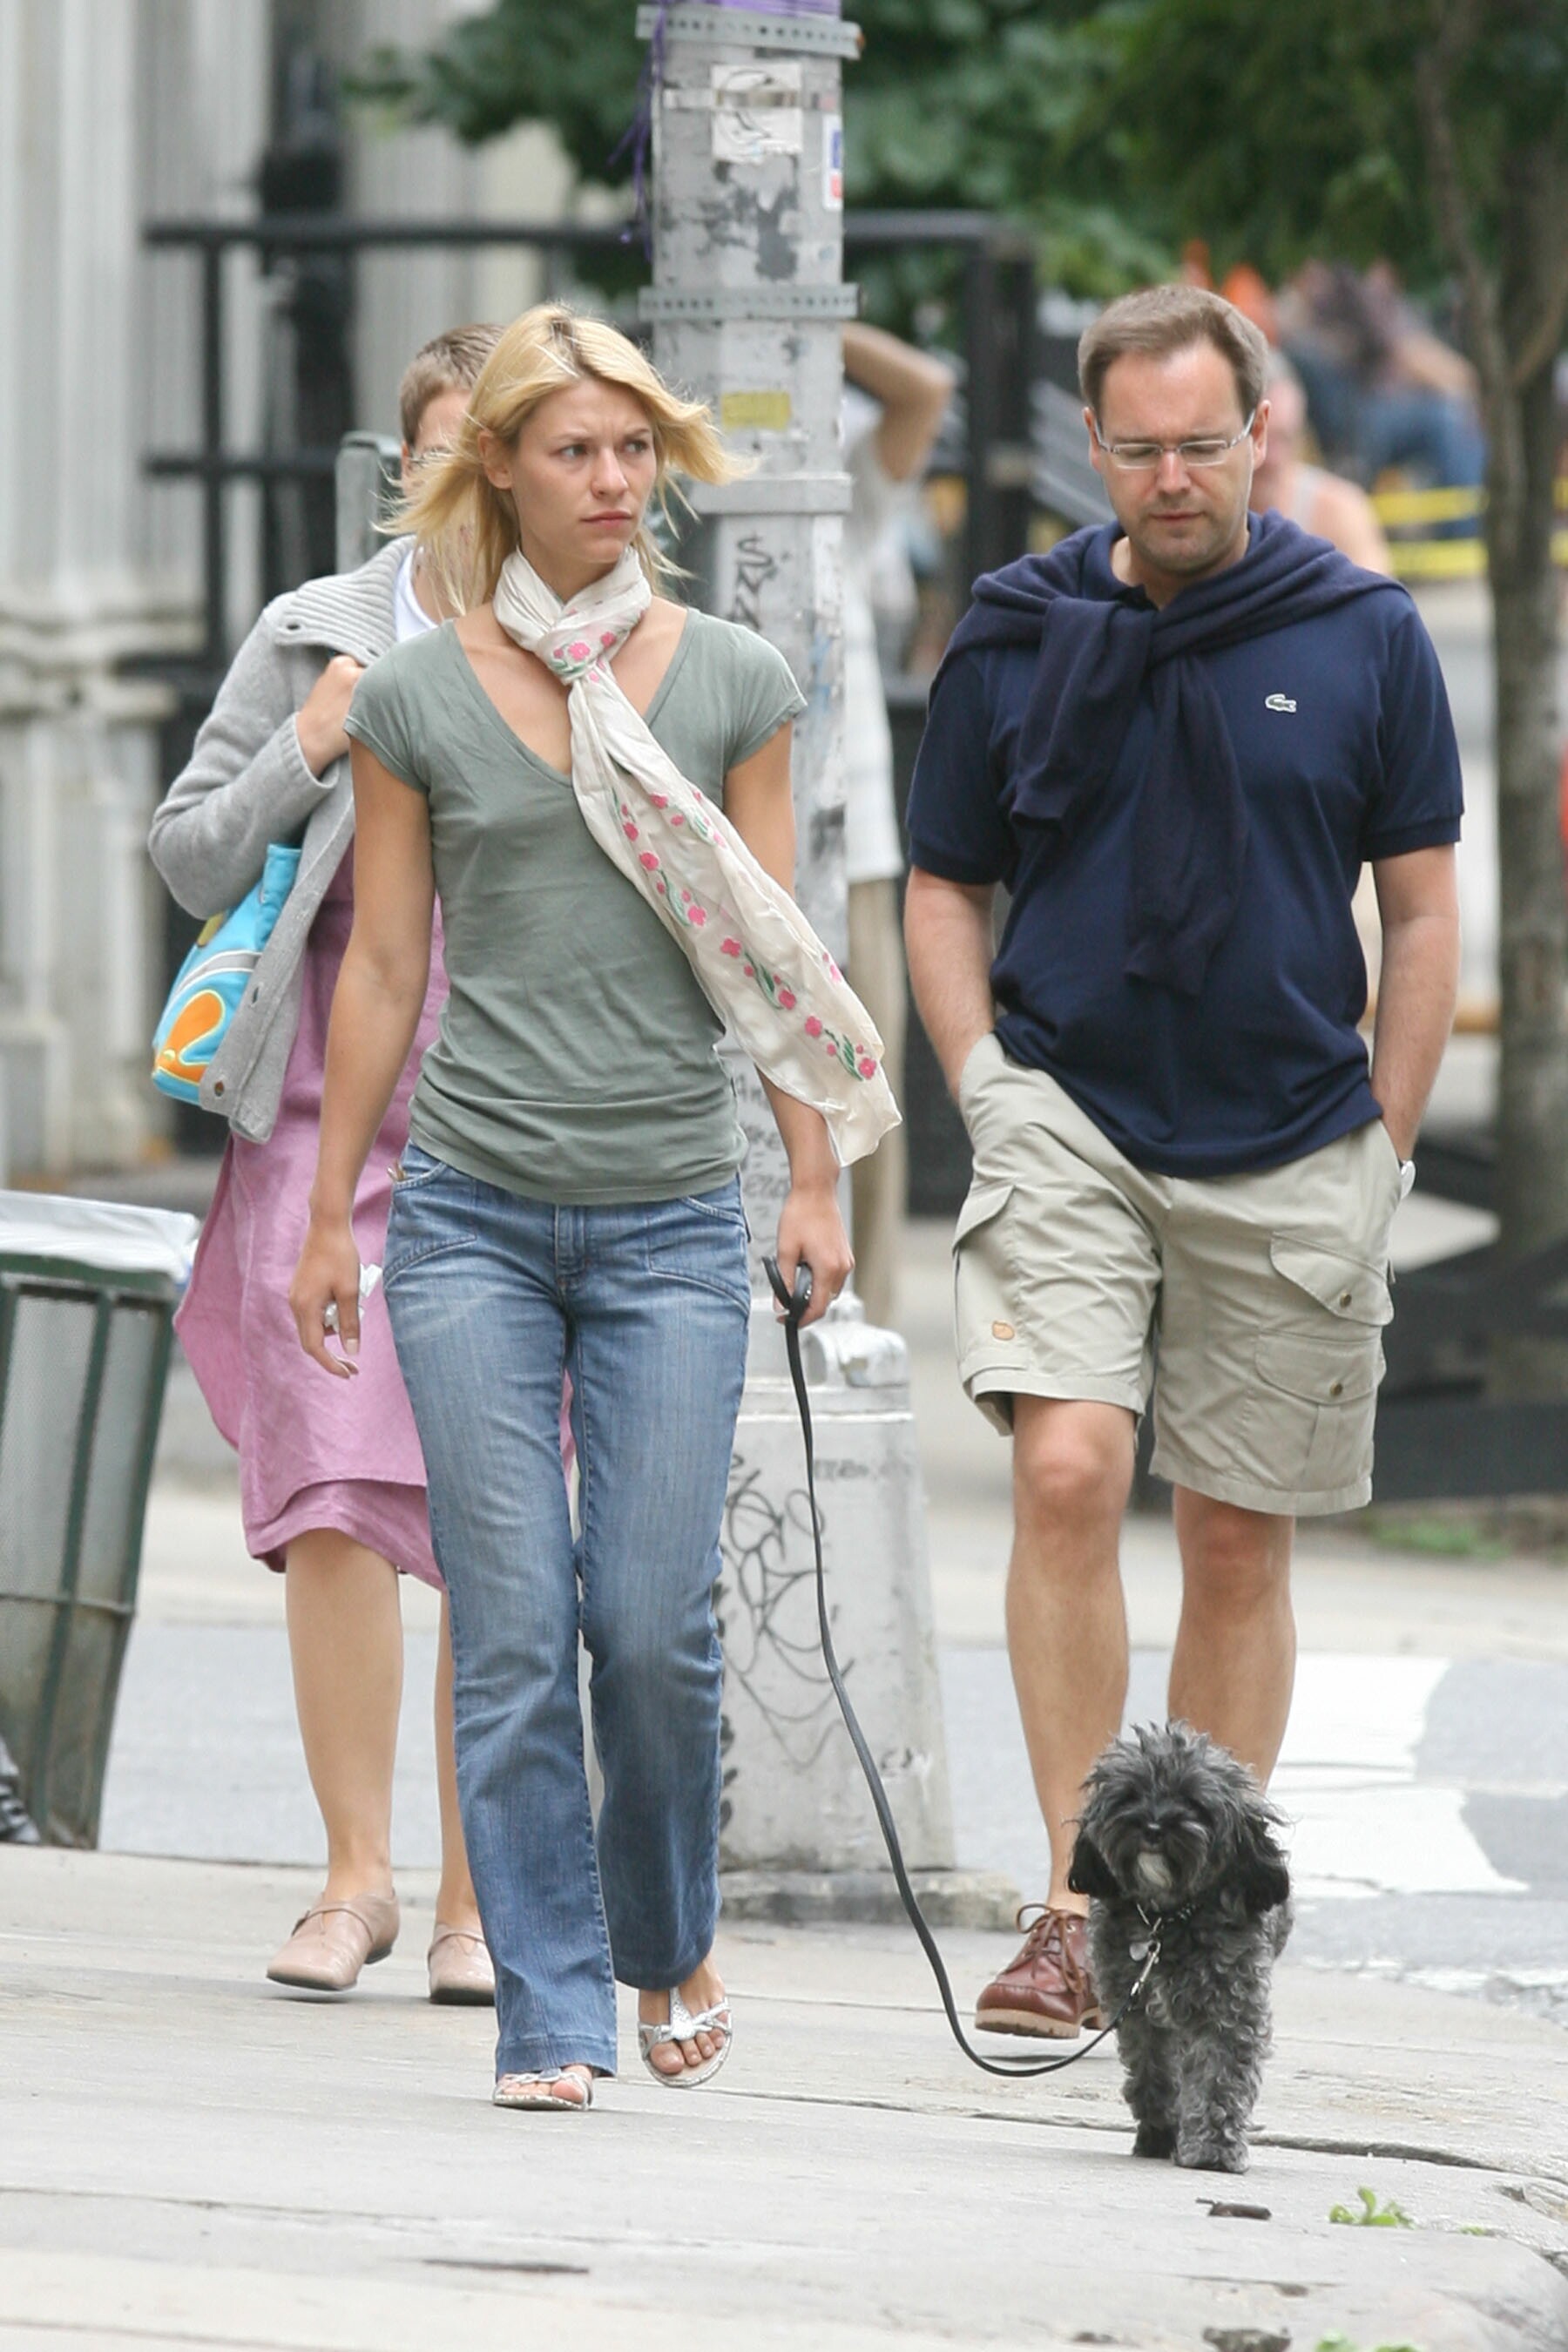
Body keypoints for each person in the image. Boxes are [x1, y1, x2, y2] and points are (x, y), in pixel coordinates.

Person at [288, 304, 889, 2112]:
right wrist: (332, 1218)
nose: (615, 481)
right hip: (469, 1216)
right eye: (577, 452)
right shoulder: (410, 698)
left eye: (637, 450)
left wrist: (809, 1173)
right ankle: (555, 2008)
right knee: (515, 1610)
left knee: (649, 1620)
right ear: (502, 472)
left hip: (669, 1225)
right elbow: (385, 966)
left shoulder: (729, 683)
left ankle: (669, 1929)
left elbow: (774, 961)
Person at [903, 285, 1461, 2040]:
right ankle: (1073, 1910)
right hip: (1070, 1108)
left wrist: (1388, 1135)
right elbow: (943, 883)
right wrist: (981, 1082)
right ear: (1095, 446)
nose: (1171, 477)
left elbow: (1426, 907)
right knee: (1069, 1472)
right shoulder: (1017, 629)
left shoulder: (1364, 630)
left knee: (1233, 1536)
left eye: (1201, 445)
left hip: (1295, 1132)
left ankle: (1189, 1924)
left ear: (1262, 434)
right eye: (1137, 448)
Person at [148, 325, 502, 2004]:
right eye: (446, 452)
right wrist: (309, 743)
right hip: (316, 1119)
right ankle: (357, 1878)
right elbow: (187, 850)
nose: (476, 484)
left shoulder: (602, 652)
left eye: (503, 449)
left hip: (517, 1124)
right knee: (340, 1503)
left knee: (498, 1516)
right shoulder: (314, 635)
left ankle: (472, 1900)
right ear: (405, 467)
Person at [840, 321, 954, 1328]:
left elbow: (925, 390)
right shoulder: (653, 483)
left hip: (853, 843)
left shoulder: (840, 477)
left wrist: (806, 320)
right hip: (700, 842)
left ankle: (862, 1321)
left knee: (862, 1095)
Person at [1250, 355, 1392, 573]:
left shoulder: (1341, 510)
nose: (1272, 458)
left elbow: (1378, 600)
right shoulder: (1210, 512)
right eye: (1262, 439)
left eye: (1285, 439)